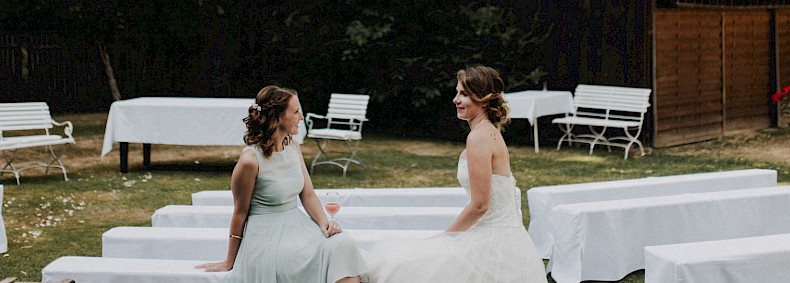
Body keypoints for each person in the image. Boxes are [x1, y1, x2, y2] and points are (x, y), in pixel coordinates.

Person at [365, 66, 546, 282]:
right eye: (457, 92)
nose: (456, 99)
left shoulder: (479, 137)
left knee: (400, 265)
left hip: (493, 241)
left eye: (464, 94)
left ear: (484, 100)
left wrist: (446, 239)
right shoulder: (488, 132)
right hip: (502, 236)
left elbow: (480, 205)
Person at [197, 85, 367, 282]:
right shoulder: (250, 161)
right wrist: (229, 261)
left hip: (297, 226)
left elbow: (308, 194)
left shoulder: (293, 146)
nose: (301, 117)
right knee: (332, 254)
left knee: (343, 244)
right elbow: (240, 212)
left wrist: (324, 225)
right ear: (277, 117)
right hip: (266, 237)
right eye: (295, 112)